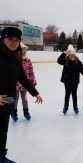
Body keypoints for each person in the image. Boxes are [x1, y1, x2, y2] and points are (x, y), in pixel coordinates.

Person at [0, 27, 43, 163]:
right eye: (9, 40)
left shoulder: (16, 57)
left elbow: (22, 78)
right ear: (2, 39)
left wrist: (35, 93)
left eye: (16, 40)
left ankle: (1, 156)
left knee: (2, 131)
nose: (13, 43)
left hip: (8, 99)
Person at [11, 42, 37, 121]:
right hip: (15, 84)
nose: (24, 51)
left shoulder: (28, 60)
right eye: (23, 50)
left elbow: (31, 71)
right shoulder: (14, 60)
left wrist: (33, 81)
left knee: (25, 99)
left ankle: (26, 112)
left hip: (25, 84)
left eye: (25, 50)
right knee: (15, 99)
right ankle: (14, 112)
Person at [57, 44, 83, 115]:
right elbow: (58, 60)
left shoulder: (78, 61)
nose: (71, 55)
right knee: (67, 95)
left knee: (74, 95)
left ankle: (75, 107)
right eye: (70, 54)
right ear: (68, 54)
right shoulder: (66, 60)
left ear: (75, 54)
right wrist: (65, 52)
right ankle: (65, 107)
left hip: (75, 81)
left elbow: (82, 70)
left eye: (73, 54)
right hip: (67, 81)